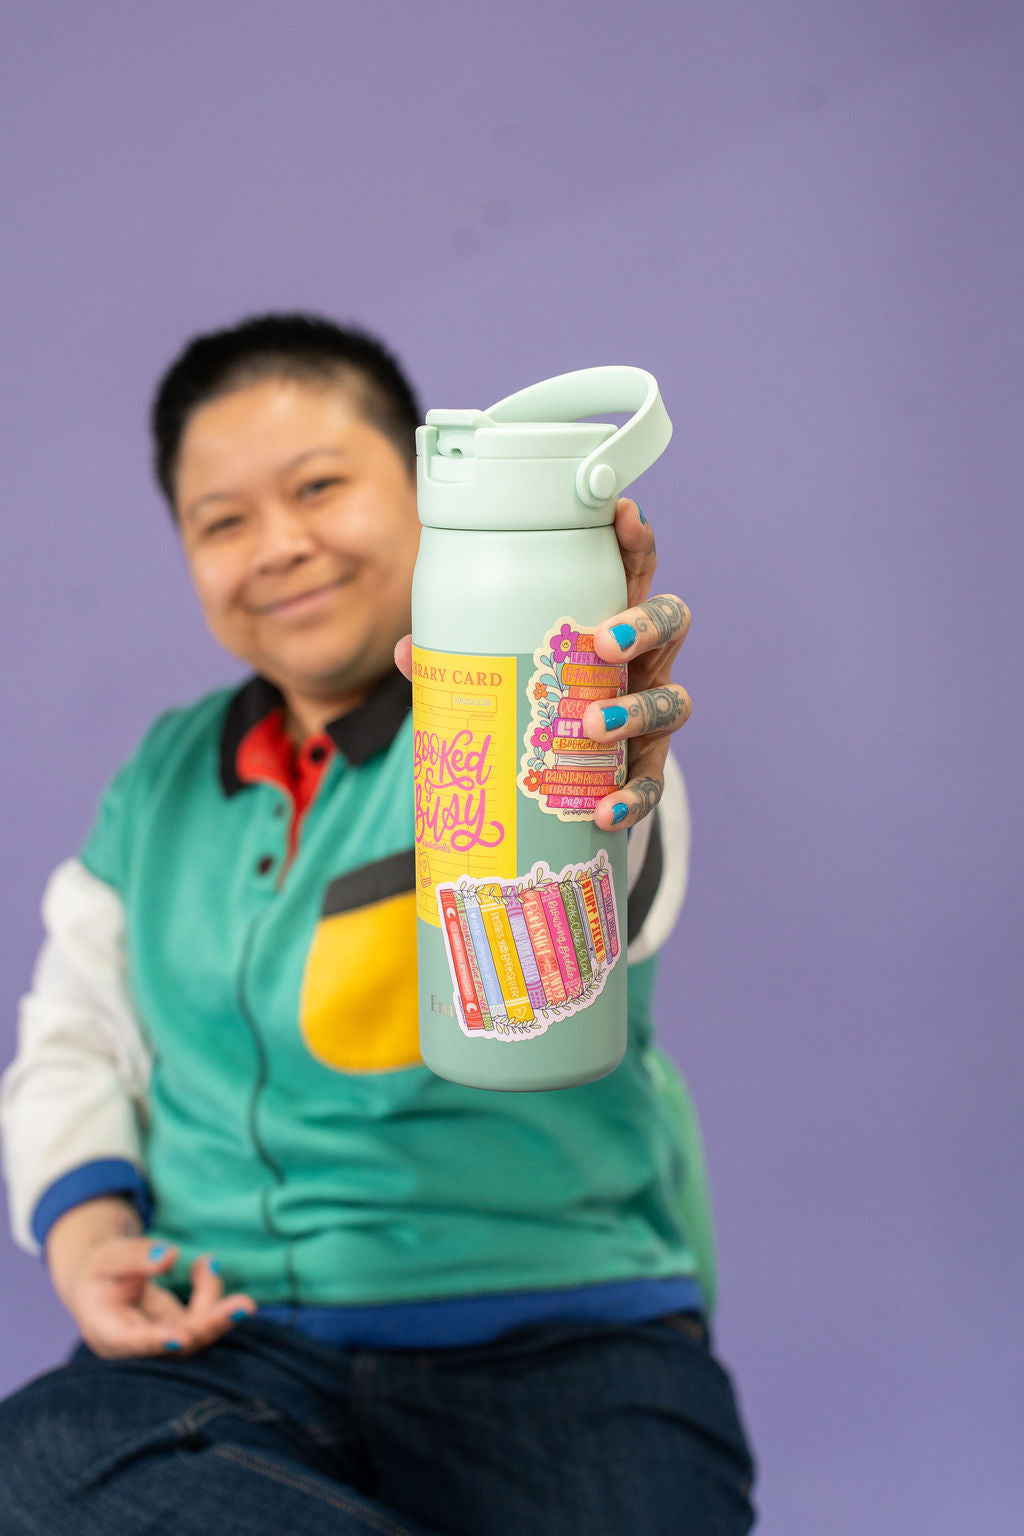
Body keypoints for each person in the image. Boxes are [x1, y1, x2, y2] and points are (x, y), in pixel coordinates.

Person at [0, 314, 755, 1534]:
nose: (280, 546)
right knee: (32, 1468)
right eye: (222, 520)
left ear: (425, 495)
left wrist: (597, 757)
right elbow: (78, 1029)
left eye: (319, 487)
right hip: (232, 1349)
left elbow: (613, 874)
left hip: (556, 1341)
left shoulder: (517, 709)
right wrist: (89, 1237)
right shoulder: (162, 776)